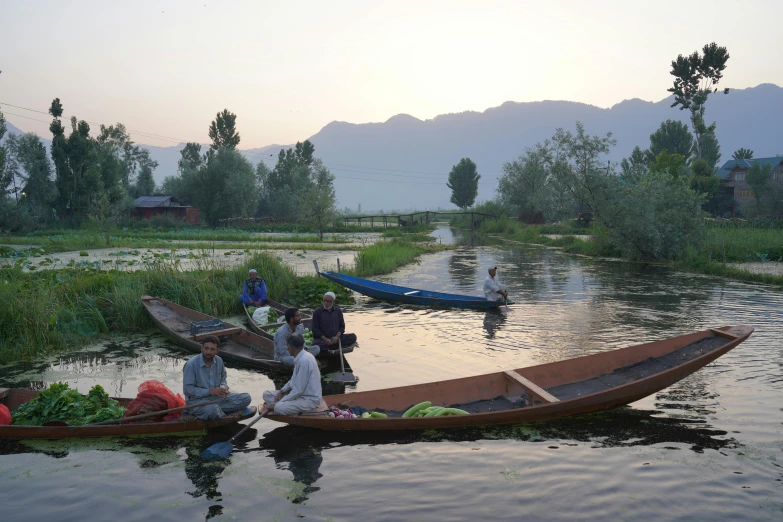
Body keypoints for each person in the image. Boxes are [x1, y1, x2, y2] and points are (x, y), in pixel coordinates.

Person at [182, 336, 252, 420]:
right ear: (201, 348)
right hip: (198, 403)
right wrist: (209, 391)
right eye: (206, 348)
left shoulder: (219, 361)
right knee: (213, 410)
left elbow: (223, 378)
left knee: (246, 398)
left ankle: (218, 412)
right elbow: (187, 390)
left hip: (218, 400)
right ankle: (217, 413)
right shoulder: (191, 365)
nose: (208, 352)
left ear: (217, 351)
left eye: (212, 349)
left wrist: (223, 388)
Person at [262, 334, 322, 415]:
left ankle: (276, 408)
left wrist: (280, 402)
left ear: (290, 347)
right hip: (299, 396)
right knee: (267, 394)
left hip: (308, 400)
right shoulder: (300, 358)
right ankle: (277, 406)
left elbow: (298, 390)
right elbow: (293, 380)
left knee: (279, 407)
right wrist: (282, 391)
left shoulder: (305, 361)